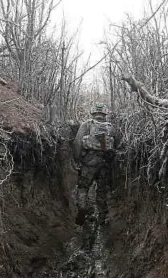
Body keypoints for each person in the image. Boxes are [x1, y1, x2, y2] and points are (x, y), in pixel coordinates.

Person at [72, 102, 117, 251]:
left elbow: (77, 142)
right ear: (104, 113)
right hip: (104, 164)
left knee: (84, 187)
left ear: (92, 113)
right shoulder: (111, 127)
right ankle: (102, 217)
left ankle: (82, 208)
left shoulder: (86, 124)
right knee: (102, 191)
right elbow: (120, 145)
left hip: (88, 163)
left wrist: (77, 160)